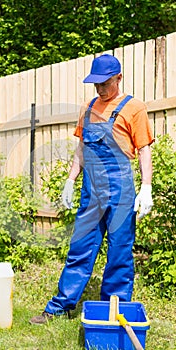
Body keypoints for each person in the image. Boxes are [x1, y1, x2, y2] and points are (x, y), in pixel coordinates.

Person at [30, 54, 154, 324]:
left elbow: (144, 148)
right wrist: (70, 180)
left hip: (121, 190)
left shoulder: (134, 108)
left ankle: (115, 312)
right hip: (91, 190)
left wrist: (146, 187)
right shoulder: (88, 107)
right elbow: (82, 149)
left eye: (105, 82)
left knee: (120, 251)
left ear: (118, 78)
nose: (100, 88)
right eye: (95, 83)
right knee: (80, 248)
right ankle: (60, 307)